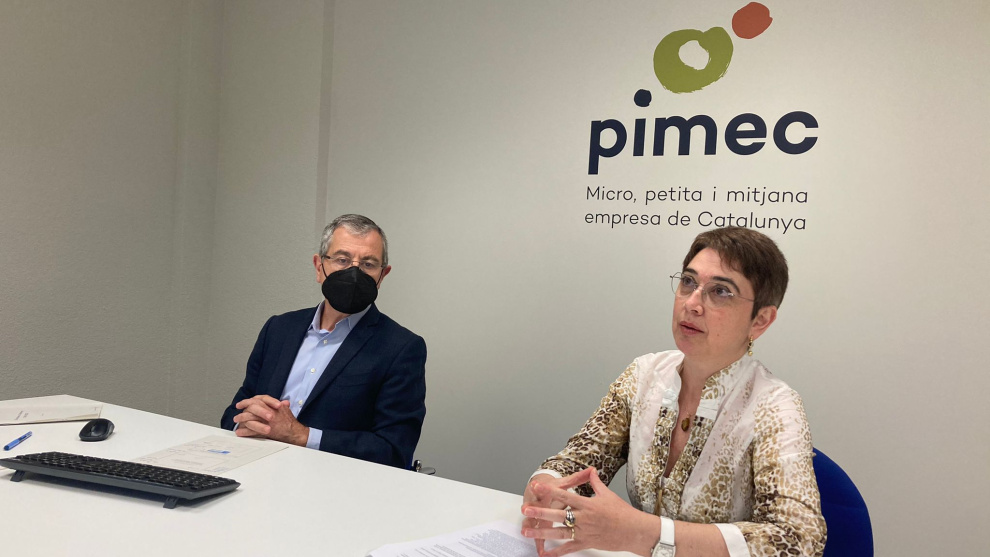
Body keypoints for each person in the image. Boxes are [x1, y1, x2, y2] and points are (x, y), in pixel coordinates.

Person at [520, 227, 826, 557]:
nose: (692, 303)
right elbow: (581, 458)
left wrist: (643, 533)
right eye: (689, 282)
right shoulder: (643, 375)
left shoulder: (775, 407)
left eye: (721, 291)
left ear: (760, 320)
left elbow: (799, 540)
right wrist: (547, 484)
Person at [220, 214, 426, 469]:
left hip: (335, 483)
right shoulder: (279, 329)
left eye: (368, 264)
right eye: (342, 260)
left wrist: (302, 436)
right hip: (257, 469)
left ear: (382, 276)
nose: (354, 272)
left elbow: (394, 450)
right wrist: (247, 421)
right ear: (319, 267)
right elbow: (235, 412)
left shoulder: (401, 348)